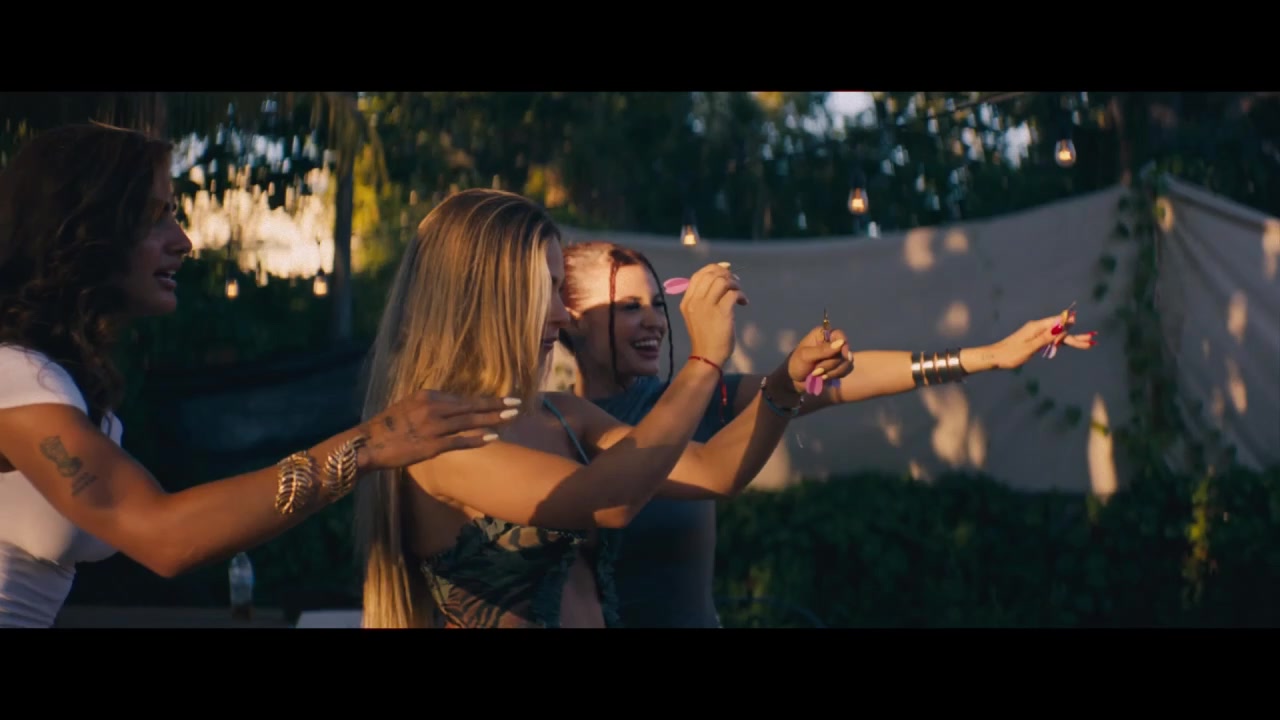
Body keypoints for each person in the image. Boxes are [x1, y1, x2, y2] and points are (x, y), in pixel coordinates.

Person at [0, 123, 518, 629]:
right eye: (156, 217)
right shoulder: (15, 375)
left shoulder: (56, 385)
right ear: (87, 231)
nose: (183, 241)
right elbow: (164, 535)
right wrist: (369, 445)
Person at [354, 188, 852, 628]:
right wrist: (703, 361)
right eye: (543, 290)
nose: (561, 314)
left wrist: (785, 386)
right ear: (481, 297)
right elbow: (609, 501)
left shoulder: (562, 415)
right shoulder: (439, 443)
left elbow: (714, 471)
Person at [557, 240, 1097, 627]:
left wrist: (987, 356)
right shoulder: (554, 428)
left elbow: (832, 384)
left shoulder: (687, 402)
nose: (655, 320)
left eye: (658, 303)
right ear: (571, 318)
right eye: (629, 307)